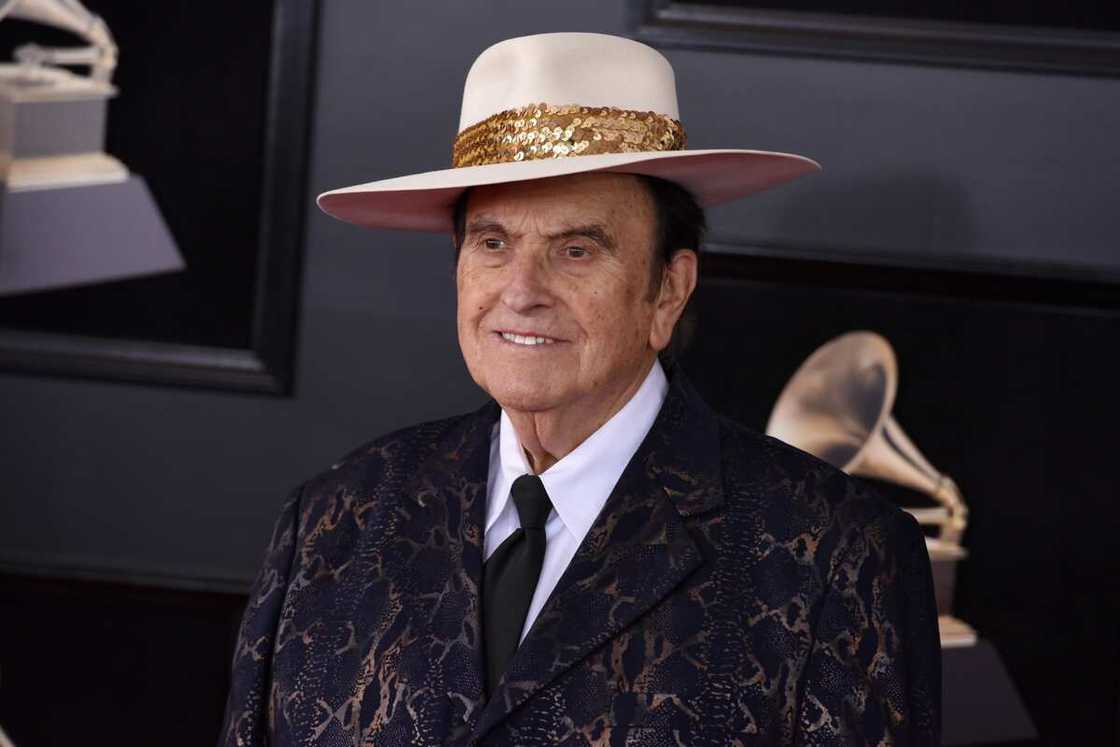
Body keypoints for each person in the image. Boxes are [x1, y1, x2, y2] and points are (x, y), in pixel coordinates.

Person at [221, 32, 940, 746]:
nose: (522, 292)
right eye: (493, 242)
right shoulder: (334, 518)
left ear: (668, 290)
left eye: (576, 249)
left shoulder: (835, 554)